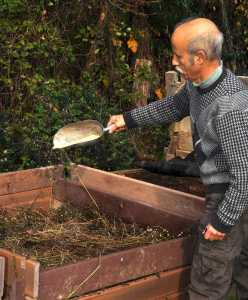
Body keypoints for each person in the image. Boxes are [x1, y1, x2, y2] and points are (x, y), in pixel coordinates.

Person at [107, 17, 248, 300]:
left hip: (233, 195)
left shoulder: (231, 106)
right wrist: (129, 119)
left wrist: (222, 222)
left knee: (207, 280)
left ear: (200, 57)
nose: (173, 61)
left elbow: (244, 176)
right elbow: (173, 106)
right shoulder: (198, 86)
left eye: (178, 55)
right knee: (241, 271)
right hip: (227, 189)